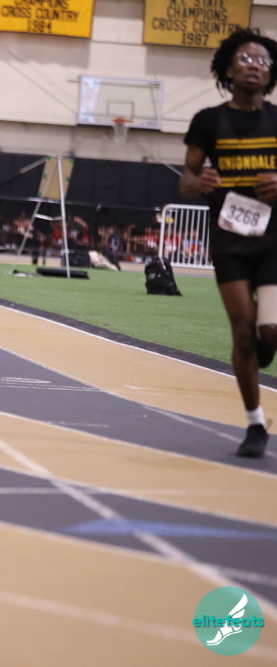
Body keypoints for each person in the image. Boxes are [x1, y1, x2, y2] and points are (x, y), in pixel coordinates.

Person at [180, 28, 277, 459]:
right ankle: (255, 423)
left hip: (274, 238)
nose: (254, 65)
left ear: (271, 74)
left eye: (263, 61)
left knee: (269, 330)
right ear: (228, 69)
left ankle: (266, 341)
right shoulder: (207, 121)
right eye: (245, 59)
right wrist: (197, 181)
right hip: (230, 238)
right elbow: (186, 179)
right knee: (242, 332)